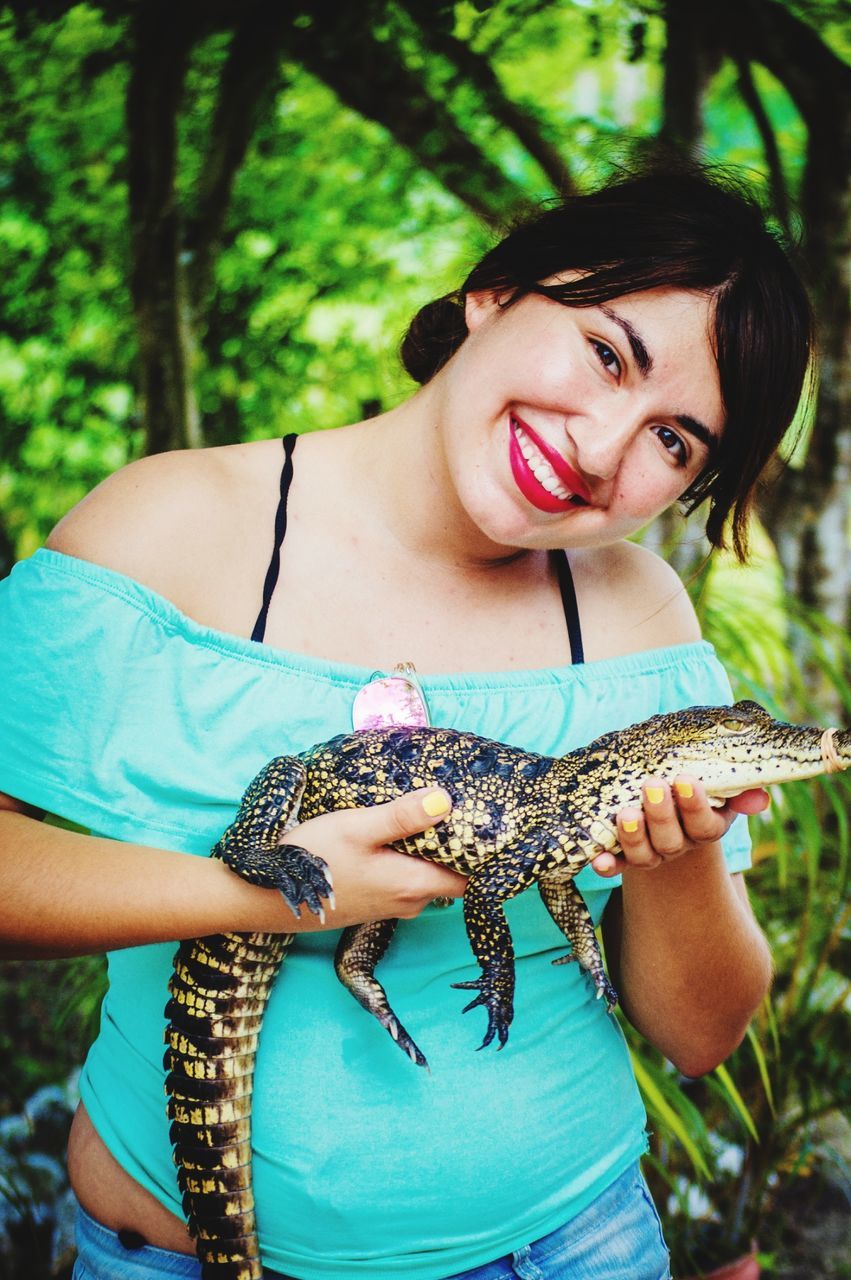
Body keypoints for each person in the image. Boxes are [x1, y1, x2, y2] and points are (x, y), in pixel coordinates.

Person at [0, 167, 812, 1280]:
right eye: (606, 352)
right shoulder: (168, 522)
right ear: (497, 290)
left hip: (565, 1246)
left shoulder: (641, 618)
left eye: (675, 441)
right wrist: (260, 889)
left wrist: (677, 853)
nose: (598, 447)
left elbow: (699, 1034)